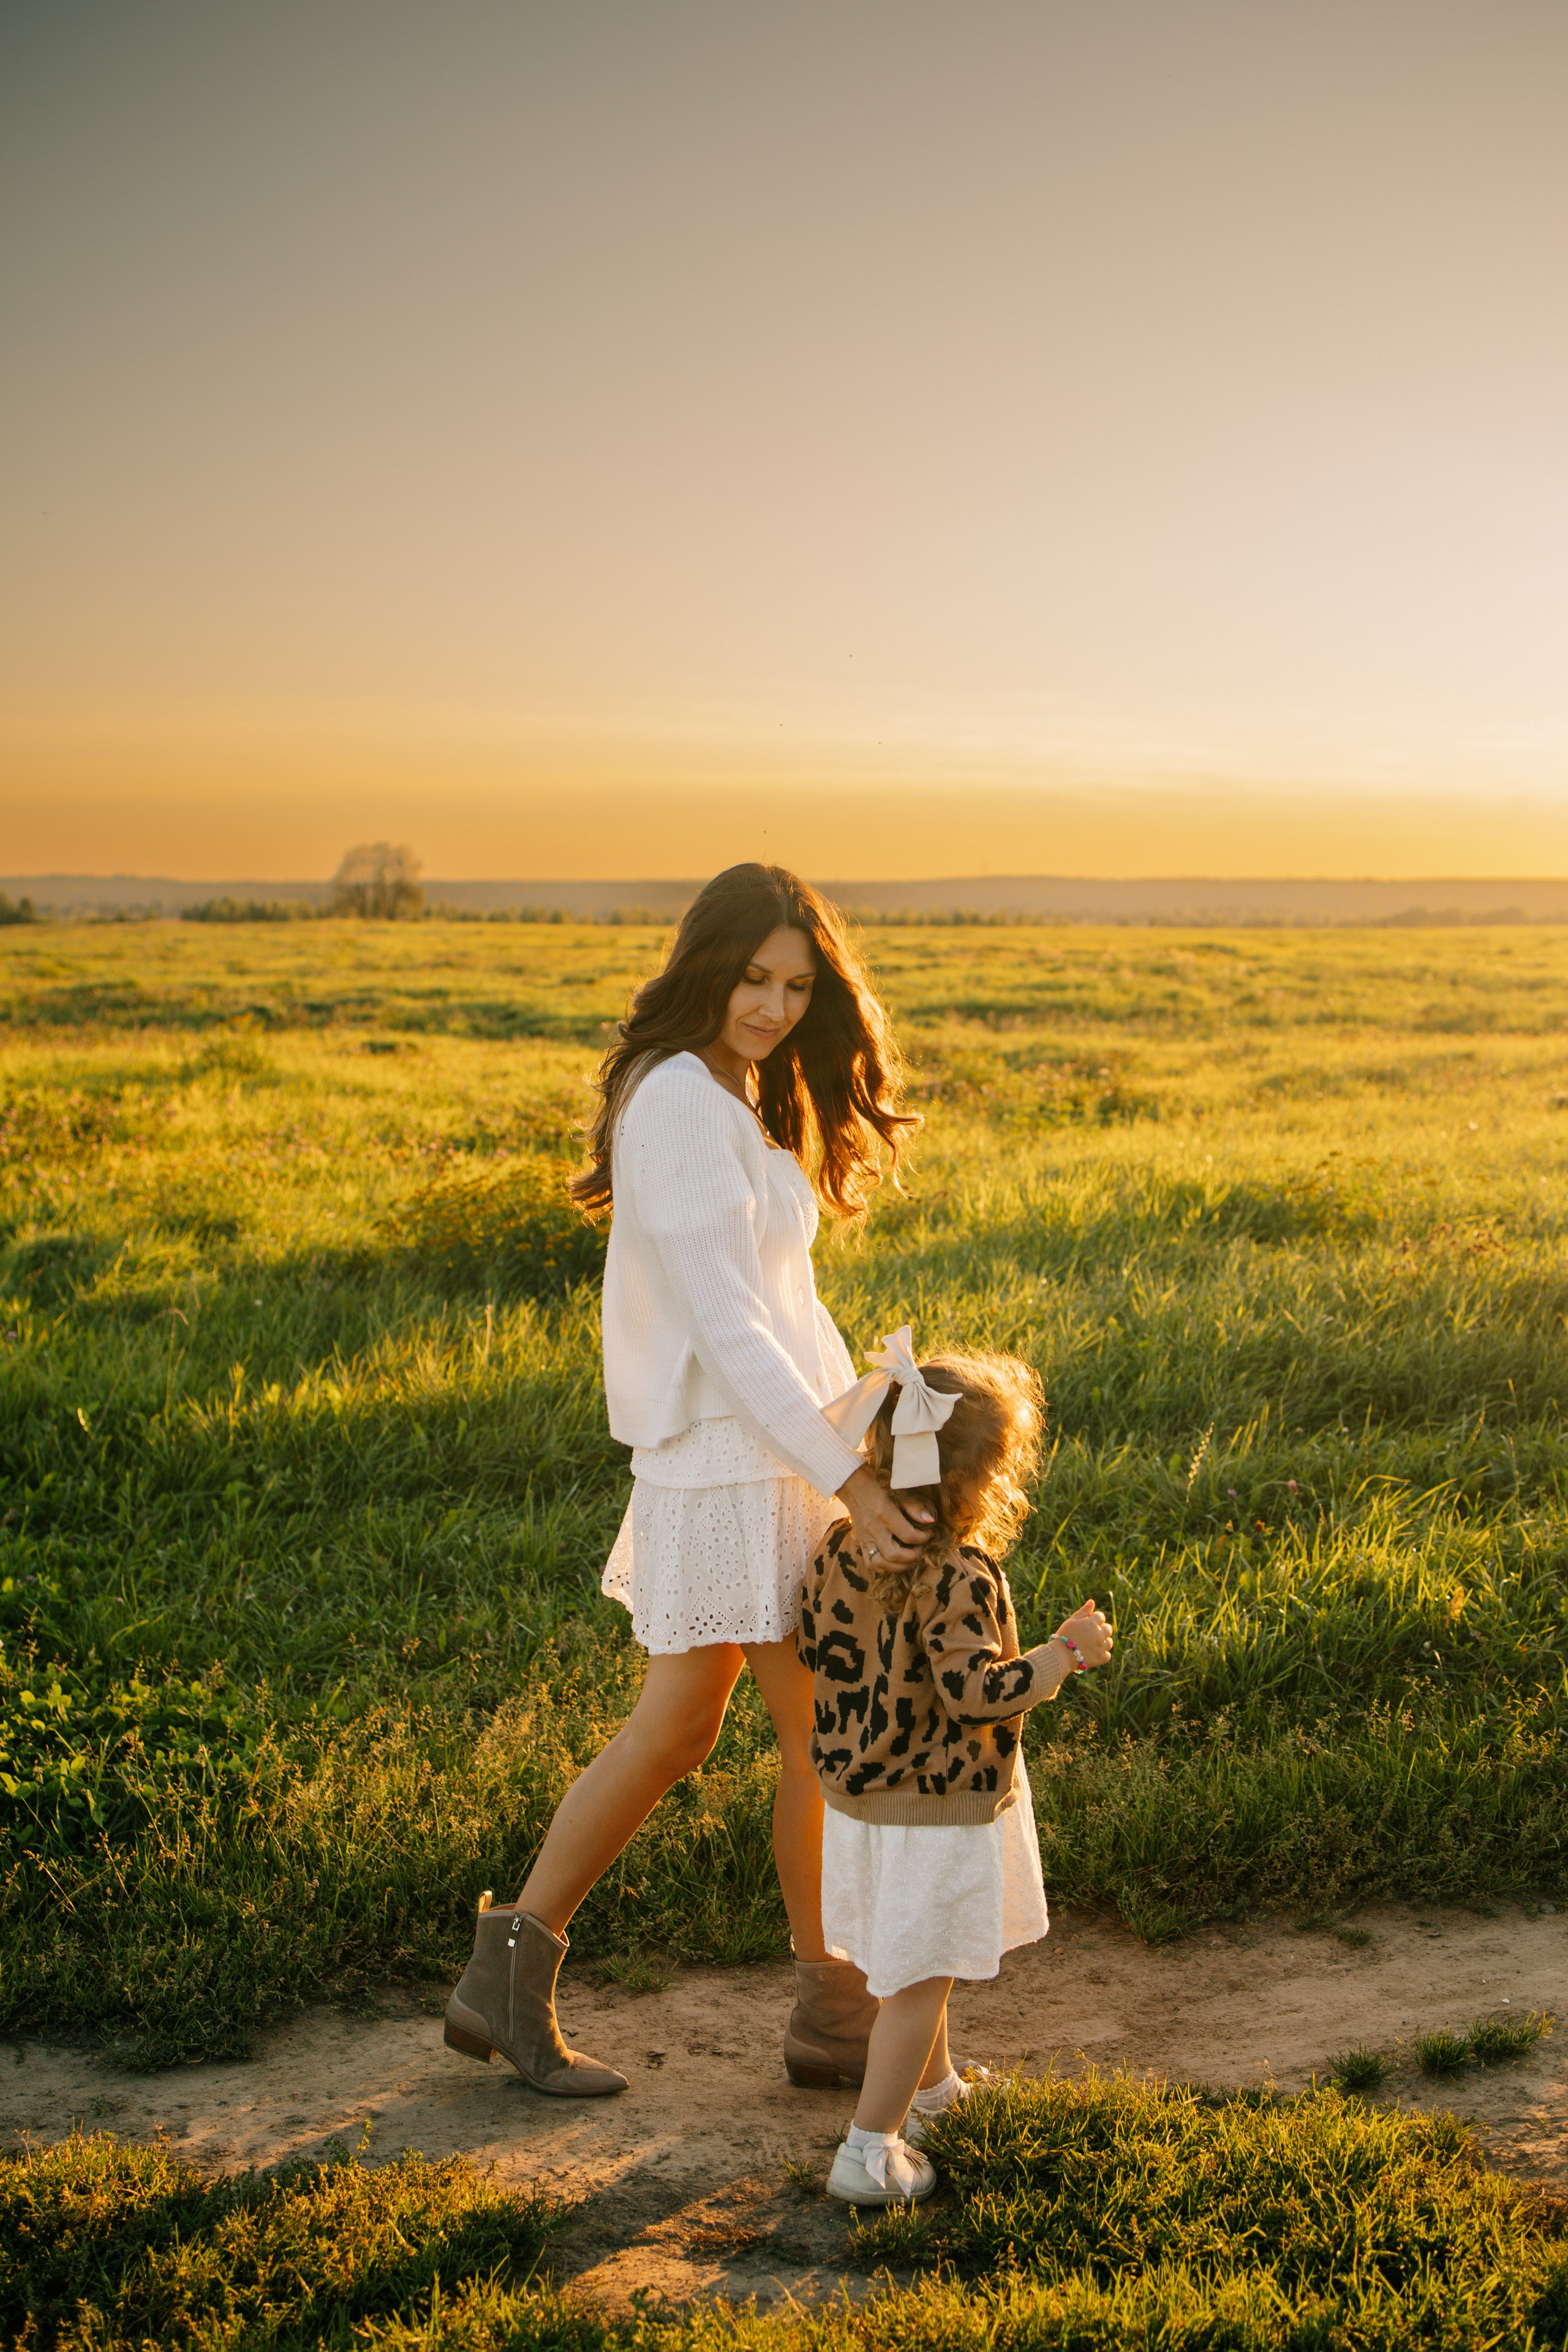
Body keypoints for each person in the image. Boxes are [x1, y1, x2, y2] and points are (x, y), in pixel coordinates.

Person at [443, 863, 933, 2096]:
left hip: (767, 1456)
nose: (769, 1006)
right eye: (750, 979)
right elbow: (723, 1326)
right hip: (728, 1468)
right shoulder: (675, 1101)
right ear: (702, 969)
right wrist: (847, 1481)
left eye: (793, 986)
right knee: (789, 1730)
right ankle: (822, 2001)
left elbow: (778, 1305)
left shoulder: (734, 1091)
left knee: (698, 1729)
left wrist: (859, 1426)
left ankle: (525, 1977)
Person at [795, 1332, 1115, 2206]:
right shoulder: (959, 1575)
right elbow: (978, 1692)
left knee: (909, 1959)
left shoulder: (834, 1546)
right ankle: (869, 2149)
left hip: (858, 1800)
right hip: (933, 1808)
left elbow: (810, 1643)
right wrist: (1063, 1655)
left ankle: (935, 2097)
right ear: (982, 1480)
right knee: (921, 1975)